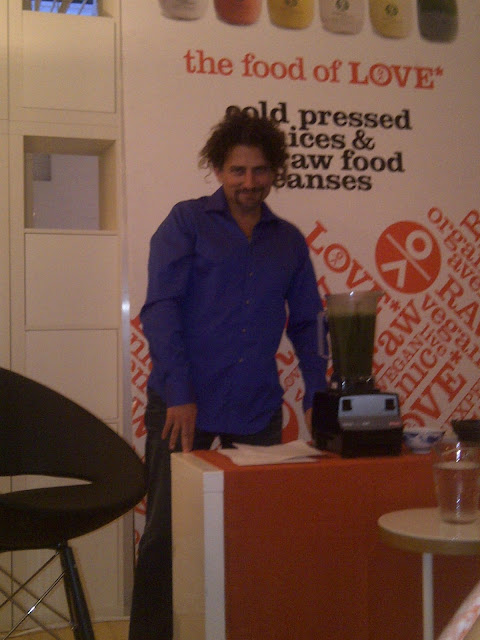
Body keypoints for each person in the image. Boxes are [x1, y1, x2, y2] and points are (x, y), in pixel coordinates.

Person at [128, 109, 327, 640]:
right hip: (182, 406)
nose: (249, 181)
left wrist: (318, 395)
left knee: (254, 532)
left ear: (274, 171)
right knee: (167, 534)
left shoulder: (289, 240)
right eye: (238, 170)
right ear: (218, 170)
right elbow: (161, 309)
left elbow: (308, 322)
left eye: (259, 170)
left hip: (255, 407)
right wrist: (179, 392)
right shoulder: (186, 222)